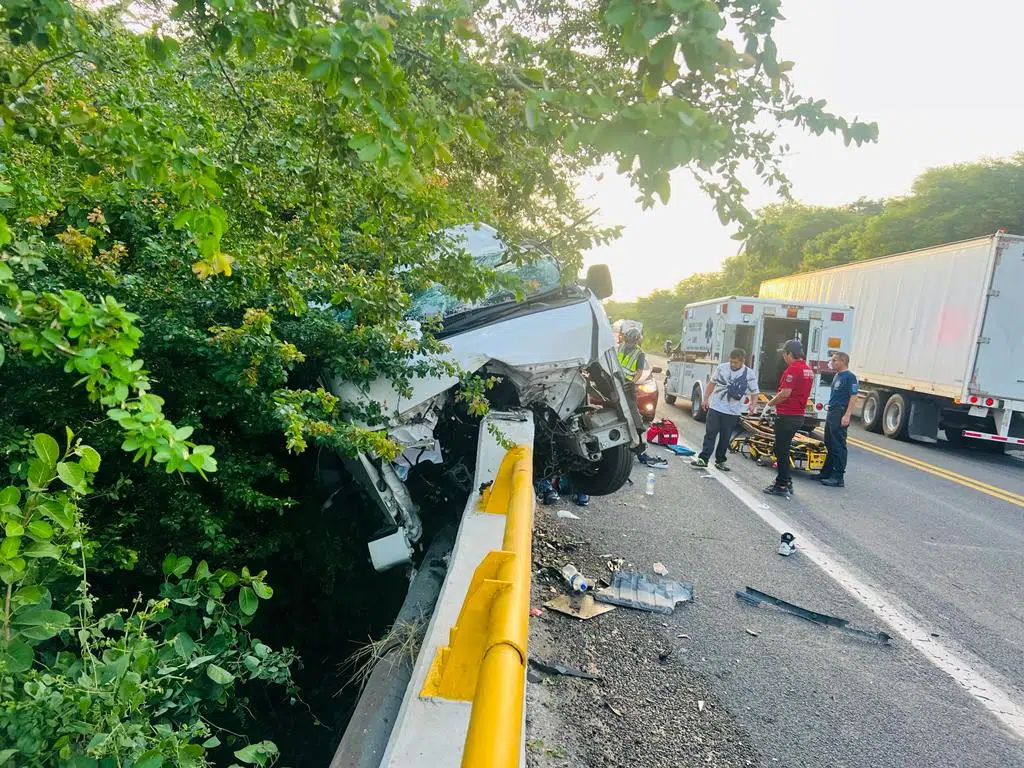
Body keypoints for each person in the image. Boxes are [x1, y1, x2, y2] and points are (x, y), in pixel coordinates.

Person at [691, 348, 759, 471]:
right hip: (716, 408)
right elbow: (711, 384)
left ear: (743, 361)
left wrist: (752, 405)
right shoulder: (722, 368)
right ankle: (703, 459)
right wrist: (705, 399)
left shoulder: (749, 373)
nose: (733, 365)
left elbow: (755, 392)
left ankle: (720, 460)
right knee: (710, 434)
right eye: (731, 362)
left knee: (725, 437)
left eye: (736, 363)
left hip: (733, 411)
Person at [762, 339, 813, 498]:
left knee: (781, 450)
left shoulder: (793, 370)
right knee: (780, 448)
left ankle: (781, 484)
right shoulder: (807, 369)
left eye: (785, 354)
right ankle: (786, 480)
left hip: (788, 415)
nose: (784, 357)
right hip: (798, 414)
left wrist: (769, 404)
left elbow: (785, 394)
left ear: (790, 354)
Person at [617, 328, 668, 468]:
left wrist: (632, 381)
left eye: (630, 342)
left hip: (627, 386)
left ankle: (638, 440)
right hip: (615, 383)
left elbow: (639, 372)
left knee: (633, 416)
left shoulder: (639, 353)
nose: (628, 344)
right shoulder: (619, 347)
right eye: (626, 342)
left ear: (636, 341)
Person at [819, 352, 858, 487]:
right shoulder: (837, 375)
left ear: (843, 361)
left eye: (835, 360)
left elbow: (853, 396)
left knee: (838, 444)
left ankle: (838, 476)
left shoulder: (850, 377)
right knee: (829, 442)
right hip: (832, 411)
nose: (832, 362)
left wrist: (847, 415)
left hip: (840, 411)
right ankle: (826, 472)